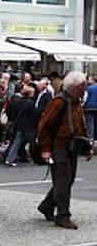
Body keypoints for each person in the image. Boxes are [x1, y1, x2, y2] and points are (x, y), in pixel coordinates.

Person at [37, 71, 93, 230]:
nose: (85, 89)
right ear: (77, 87)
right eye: (83, 86)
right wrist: (46, 149)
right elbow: (45, 127)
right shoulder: (59, 102)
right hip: (58, 147)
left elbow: (80, 126)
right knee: (63, 182)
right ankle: (62, 215)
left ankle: (47, 206)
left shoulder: (76, 102)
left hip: (70, 147)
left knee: (67, 181)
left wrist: (86, 146)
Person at [4, 86, 36, 167]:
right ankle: (37, 158)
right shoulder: (31, 103)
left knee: (16, 143)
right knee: (33, 142)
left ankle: (9, 159)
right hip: (28, 126)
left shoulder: (19, 101)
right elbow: (33, 115)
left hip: (19, 124)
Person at [84, 75, 97, 140]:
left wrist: (83, 105)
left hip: (89, 108)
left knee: (90, 124)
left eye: (89, 79)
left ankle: (91, 139)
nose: (88, 80)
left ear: (93, 80)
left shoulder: (88, 88)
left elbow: (85, 98)